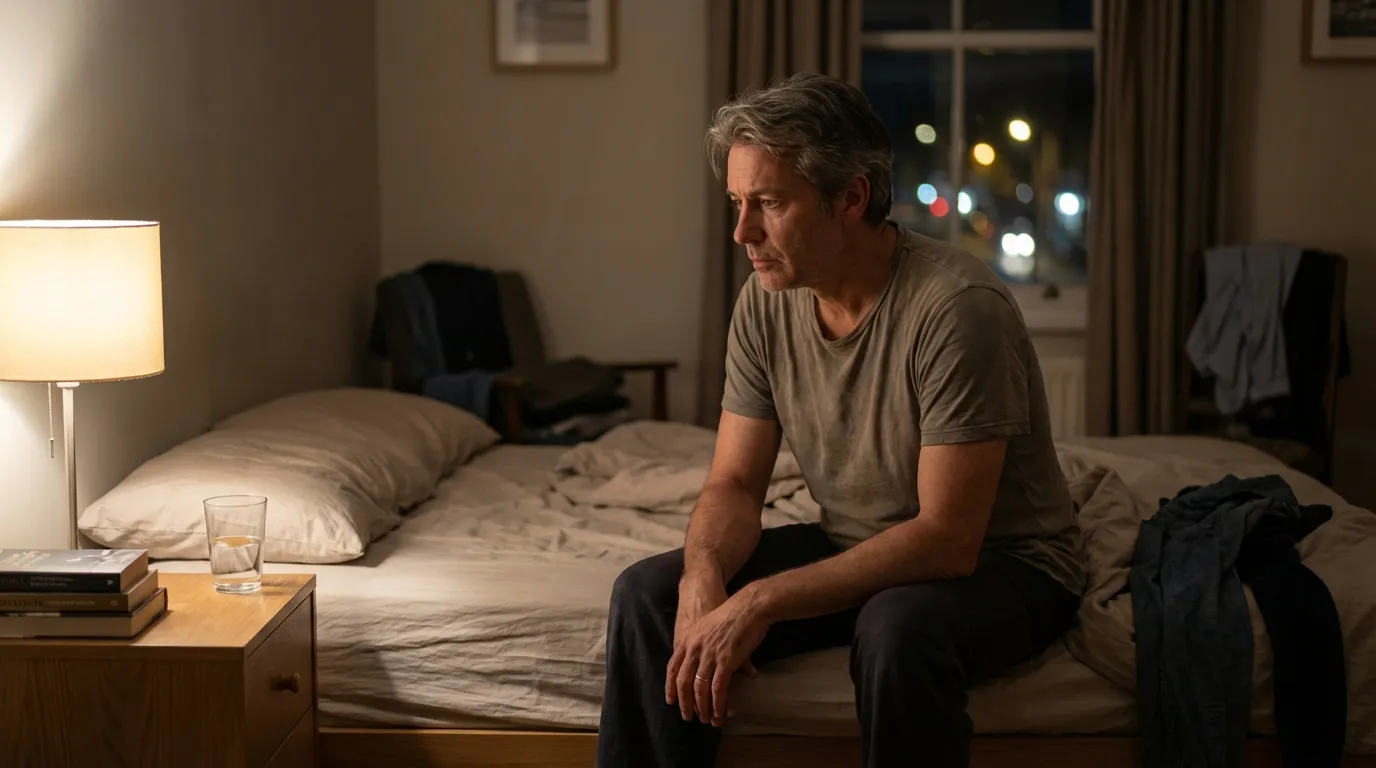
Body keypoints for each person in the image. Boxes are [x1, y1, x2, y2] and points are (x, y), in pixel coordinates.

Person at [595, 72, 1086, 768]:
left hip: (1008, 565)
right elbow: (735, 481)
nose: (742, 232)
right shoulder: (766, 300)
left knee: (895, 629)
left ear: (851, 197)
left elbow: (947, 542)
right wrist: (704, 574)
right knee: (646, 595)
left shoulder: (956, 308)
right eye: (737, 203)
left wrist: (760, 600)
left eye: (767, 203)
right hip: (857, 543)